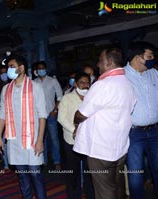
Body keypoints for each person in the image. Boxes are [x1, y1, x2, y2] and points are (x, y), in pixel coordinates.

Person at [73, 48, 136, 199]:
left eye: (100, 61)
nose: (98, 64)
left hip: (101, 149)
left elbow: (82, 114)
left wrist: (76, 119)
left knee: (104, 191)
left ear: (108, 63)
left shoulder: (102, 85)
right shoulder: (127, 83)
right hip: (119, 146)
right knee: (117, 185)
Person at [0, 54, 48, 199]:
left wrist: (40, 140)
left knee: (35, 175)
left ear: (21, 68)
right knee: (23, 177)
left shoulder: (35, 87)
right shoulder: (6, 89)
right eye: (8, 67)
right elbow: (2, 114)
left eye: (12, 66)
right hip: (14, 141)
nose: (9, 70)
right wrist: (0, 138)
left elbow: (42, 115)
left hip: (32, 140)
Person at [124, 41, 158, 199]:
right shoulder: (122, 76)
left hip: (155, 131)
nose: (152, 59)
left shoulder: (154, 73)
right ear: (138, 58)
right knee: (136, 173)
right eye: (149, 56)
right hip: (133, 133)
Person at [58, 72, 94, 199]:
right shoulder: (67, 98)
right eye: (82, 82)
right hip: (71, 140)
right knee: (73, 172)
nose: (85, 85)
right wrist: (75, 130)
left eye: (87, 82)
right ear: (75, 84)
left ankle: (90, 195)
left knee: (89, 171)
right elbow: (61, 118)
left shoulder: (92, 97)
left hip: (89, 140)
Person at [34, 61, 63, 170]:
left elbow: (60, 96)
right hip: (38, 116)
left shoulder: (53, 81)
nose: (41, 70)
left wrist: (54, 110)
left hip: (50, 115)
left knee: (54, 139)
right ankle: (43, 160)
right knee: (41, 139)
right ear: (37, 71)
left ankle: (57, 161)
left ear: (46, 69)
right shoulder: (34, 82)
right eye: (39, 69)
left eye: (43, 68)